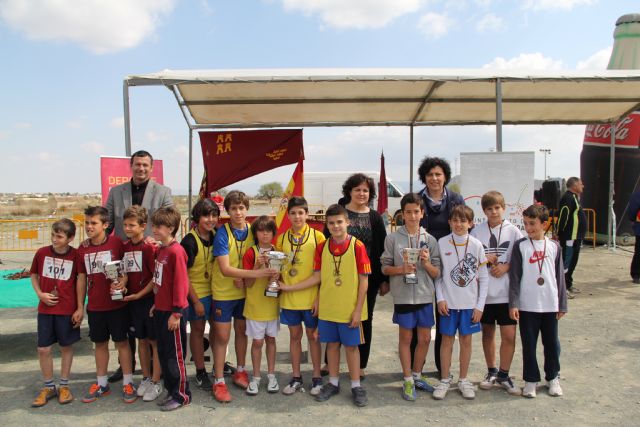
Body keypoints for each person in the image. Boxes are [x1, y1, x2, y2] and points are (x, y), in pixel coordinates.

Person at [281, 204, 370, 407]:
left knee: (351, 347)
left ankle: (356, 385)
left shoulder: (357, 246)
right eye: (331, 223)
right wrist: (295, 291)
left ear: (348, 222)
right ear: (326, 225)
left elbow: (364, 281)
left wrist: (358, 310)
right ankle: (333, 382)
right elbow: (319, 277)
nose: (336, 226)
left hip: (349, 309)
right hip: (329, 308)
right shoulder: (322, 247)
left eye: (339, 222)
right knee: (331, 346)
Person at [105, 149, 173, 382]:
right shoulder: (116, 192)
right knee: (126, 320)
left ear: (151, 168)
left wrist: (158, 239)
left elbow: (170, 220)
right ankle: (126, 365)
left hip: (148, 260)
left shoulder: (163, 192)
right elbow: (108, 224)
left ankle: (155, 368)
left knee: (149, 322)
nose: (141, 168)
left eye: (145, 165)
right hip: (124, 259)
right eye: (137, 164)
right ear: (131, 166)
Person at [210, 190, 277, 402]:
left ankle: (240, 370)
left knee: (242, 332)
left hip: (245, 293)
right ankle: (219, 380)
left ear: (247, 209)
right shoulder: (222, 233)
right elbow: (226, 269)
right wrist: (256, 274)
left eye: (241, 208)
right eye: (233, 208)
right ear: (227, 211)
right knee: (222, 336)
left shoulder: (252, 230)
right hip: (223, 292)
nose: (238, 212)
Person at [380, 193, 440, 401]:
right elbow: (385, 268)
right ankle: (407, 379)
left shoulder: (430, 240)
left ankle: (417, 375)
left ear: (422, 213)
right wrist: (401, 269)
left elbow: (437, 273)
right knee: (406, 338)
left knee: (424, 338)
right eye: (408, 212)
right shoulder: (392, 238)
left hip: (424, 295)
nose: (413, 216)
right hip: (403, 296)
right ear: (402, 215)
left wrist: (426, 264)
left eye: (416, 211)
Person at [76, 206, 136, 404]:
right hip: (95, 307)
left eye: (94, 223)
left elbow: (126, 269)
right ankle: (101, 383)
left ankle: (128, 382)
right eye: (87, 223)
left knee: (122, 343)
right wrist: (79, 306)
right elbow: (82, 278)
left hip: (117, 306)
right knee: (99, 344)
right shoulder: (83, 248)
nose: (89, 227)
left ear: (106, 225)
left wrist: (123, 283)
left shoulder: (117, 243)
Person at [509, 204, 568, 398]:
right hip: (527, 305)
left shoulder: (554, 246)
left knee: (551, 343)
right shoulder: (521, 246)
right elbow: (515, 277)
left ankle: (553, 377)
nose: (528, 228)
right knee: (529, 344)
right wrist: (514, 303)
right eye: (525, 224)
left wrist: (562, 303)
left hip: (550, 304)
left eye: (532, 224)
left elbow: (559, 277)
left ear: (545, 223)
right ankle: (531, 380)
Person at [470, 191, 523, 396]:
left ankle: (504, 374)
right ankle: (491, 371)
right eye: (489, 208)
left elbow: (520, 259)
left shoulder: (514, 232)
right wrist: (485, 258)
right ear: (484, 211)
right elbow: (470, 258)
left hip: (506, 294)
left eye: (497, 208)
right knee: (487, 333)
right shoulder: (476, 232)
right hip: (484, 294)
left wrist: (506, 266)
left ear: (504, 208)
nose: (493, 212)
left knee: (509, 335)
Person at [433, 205, 488, 401]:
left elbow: (484, 277)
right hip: (448, 304)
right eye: (455, 220)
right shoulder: (441, 243)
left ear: (471, 224)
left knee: (466, 341)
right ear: (449, 222)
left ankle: (464, 380)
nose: (459, 224)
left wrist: (480, 306)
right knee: (446, 341)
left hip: (469, 305)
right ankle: (445, 379)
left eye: (463, 221)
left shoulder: (476, 245)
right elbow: (438, 276)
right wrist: (440, 298)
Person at [416, 156, 465, 374]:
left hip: (449, 265)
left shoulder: (456, 199)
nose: (434, 178)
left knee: (444, 313)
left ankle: (441, 366)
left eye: (438, 174)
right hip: (422, 265)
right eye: (430, 175)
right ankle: (414, 368)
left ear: (445, 176)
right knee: (420, 318)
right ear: (424, 177)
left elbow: (464, 229)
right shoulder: (416, 199)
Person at [337, 173, 388, 379]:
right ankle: (329, 362)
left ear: (370, 193)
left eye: (365, 190)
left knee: (365, 320)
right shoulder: (340, 213)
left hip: (368, 278)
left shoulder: (375, 217)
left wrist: (384, 279)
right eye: (357, 189)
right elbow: (326, 243)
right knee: (337, 316)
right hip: (339, 277)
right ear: (349, 191)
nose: (361, 193)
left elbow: (382, 249)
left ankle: (361, 364)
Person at [30, 219, 82, 407]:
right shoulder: (41, 253)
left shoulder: (76, 256)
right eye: (53, 234)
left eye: (59, 236)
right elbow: (33, 274)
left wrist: (79, 307)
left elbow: (80, 280)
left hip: (66, 309)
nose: (54, 239)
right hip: (45, 309)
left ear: (70, 238)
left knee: (66, 346)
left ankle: (64, 386)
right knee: (43, 348)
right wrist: (40, 294)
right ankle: (48, 386)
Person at [275, 196, 325, 396]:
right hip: (289, 299)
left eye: (300, 213)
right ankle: (296, 377)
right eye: (293, 213)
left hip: (311, 298)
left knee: (313, 336)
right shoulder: (281, 239)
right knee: (294, 336)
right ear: (288, 215)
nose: (297, 217)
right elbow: (277, 267)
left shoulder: (318, 237)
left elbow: (323, 273)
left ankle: (316, 377)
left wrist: (319, 298)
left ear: (306, 214)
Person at [150, 206, 192, 411]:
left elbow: (180, 284)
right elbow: (161, 281)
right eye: (154, 225)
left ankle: (182, 394)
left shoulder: (176, 251)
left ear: (172, 228)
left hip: (173, 312)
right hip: (161, 309)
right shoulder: (161, 249)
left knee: (174, 356)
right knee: (164, 352)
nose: (154, 229)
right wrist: (155, 304)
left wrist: (176, 313)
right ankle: (171, 389)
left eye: (159, 226)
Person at [121, 206, 162, 401]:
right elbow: (125, 273)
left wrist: (139, 295)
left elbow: (156, 278)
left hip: (149, 301)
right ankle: (145, 377)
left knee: (155, 341)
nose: (128, 228)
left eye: (132, 225)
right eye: (125, 225)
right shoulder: (125, 246)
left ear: (143, 226)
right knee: (142, 341)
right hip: (134, 303)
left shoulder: (149, 247)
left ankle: (156, 381)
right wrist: (122, 283)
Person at [180, 199, 219, 391]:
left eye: (214, 215)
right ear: (197, 218)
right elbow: (183, 275)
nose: (210, 219)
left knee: (216, 330)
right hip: (197, 292)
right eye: (206, 215)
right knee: (197, 330)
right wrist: (195, 301)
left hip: (216, 291)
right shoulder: (189, 241)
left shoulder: (216, 234)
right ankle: (200, 371)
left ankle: (218, 365)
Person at [242, 216, 281, 395]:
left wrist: (276, 277)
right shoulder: (251, 253)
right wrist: (257, 268)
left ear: (273, 233)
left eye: (268, 230)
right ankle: (256, 376)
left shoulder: (278, 253)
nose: (265, 234)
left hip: (272, 304)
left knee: (271, 340)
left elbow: (281, 280)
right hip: (255, 305)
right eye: (261, 230)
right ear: (255, 233)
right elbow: (248, 284)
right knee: (257, 342)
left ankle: (271, 375)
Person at [555, 177, 587, 298]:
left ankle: (568, 284)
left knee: (573, 261)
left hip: (576, 237)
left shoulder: (574, 198)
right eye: (581, 183)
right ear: (574, 185)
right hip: (569, 237)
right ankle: (561, 289)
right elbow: (563, 215)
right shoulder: (568, 198)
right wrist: (558, 232)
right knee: (566, 262)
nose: (582, 186)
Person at [629, 189, 640, 284]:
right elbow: (632, 210)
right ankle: (636, 274)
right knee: (639, 252)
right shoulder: (637, 195)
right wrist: (633, 220)